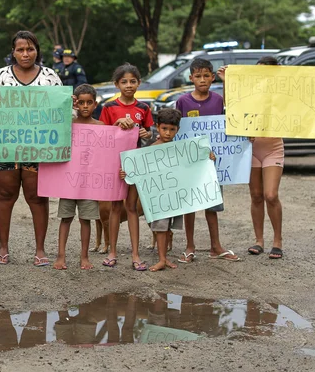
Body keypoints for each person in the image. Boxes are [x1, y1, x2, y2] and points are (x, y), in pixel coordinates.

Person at [217, 58, 315, 259]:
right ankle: (259, 240)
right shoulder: (249, 93)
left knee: (271, 195)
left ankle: (278, 240)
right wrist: (226, 81)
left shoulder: (281, 96)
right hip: (251, 148)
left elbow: (300, 103)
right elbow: (230, 105)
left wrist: (314, 84)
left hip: (273, 148)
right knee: (256, 195)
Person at [0, 30, 63, 266]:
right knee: (4, 195)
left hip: (39, 151)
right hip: (5, 148)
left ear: (37, 51)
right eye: (20, 49)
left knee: (37, 197)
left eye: (30, 49)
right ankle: (3, 247)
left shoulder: (50, 77)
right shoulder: (0, 76)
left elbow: (62, 114)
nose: (25, 54)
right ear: (13, 52)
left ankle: (40, 250)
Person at [176, 58, 239, 263]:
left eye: (206, 76)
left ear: (212, 77)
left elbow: (227, 122)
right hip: (190, 162)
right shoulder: (183, 101)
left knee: (212, 204)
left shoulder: (218, 100)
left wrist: (227, 80)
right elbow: (179, 131)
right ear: (191, 78)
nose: (202, 80)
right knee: (190, 205)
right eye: (198, 76)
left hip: (213, 163)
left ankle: (215, 246)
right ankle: (189, 246)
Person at [99, 63, 153, 270]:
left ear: (138, 83)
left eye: (132, 81)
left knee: (131, 207)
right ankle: (112, 251)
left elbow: (148, 133)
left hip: (135, 163)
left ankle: (135, 254)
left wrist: (146, 134)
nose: (128, 85)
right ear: (116, 84)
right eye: (124, 82)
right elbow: (102, 135)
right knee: (115, 206)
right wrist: (116, 124)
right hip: (114, 162)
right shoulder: (109, 108)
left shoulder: (144, 108)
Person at [120, 108, 184, 272]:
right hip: (158, 198)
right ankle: (162, 259)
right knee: (160, 227)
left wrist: (209, 156)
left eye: (172, 129)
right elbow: (136, 170)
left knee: (167, 227)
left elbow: (192, 164)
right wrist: (126, 173)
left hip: (174, 196)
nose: (168, 133)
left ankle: (165, 257)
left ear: (178, 129)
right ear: (157, 127)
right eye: (164, 129)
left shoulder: (181, 148)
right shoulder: (149, 149)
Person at [53, 84, 101, 271]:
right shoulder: (67, 125)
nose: (85, 107)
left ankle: (85, 256)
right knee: (66, 218)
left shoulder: (101, 127)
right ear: (75, 104)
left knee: (85, 219)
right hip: (68, 182)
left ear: (95, 104)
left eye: (89, 103)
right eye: (80, 103)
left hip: (89, 183)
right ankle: (60, 255)